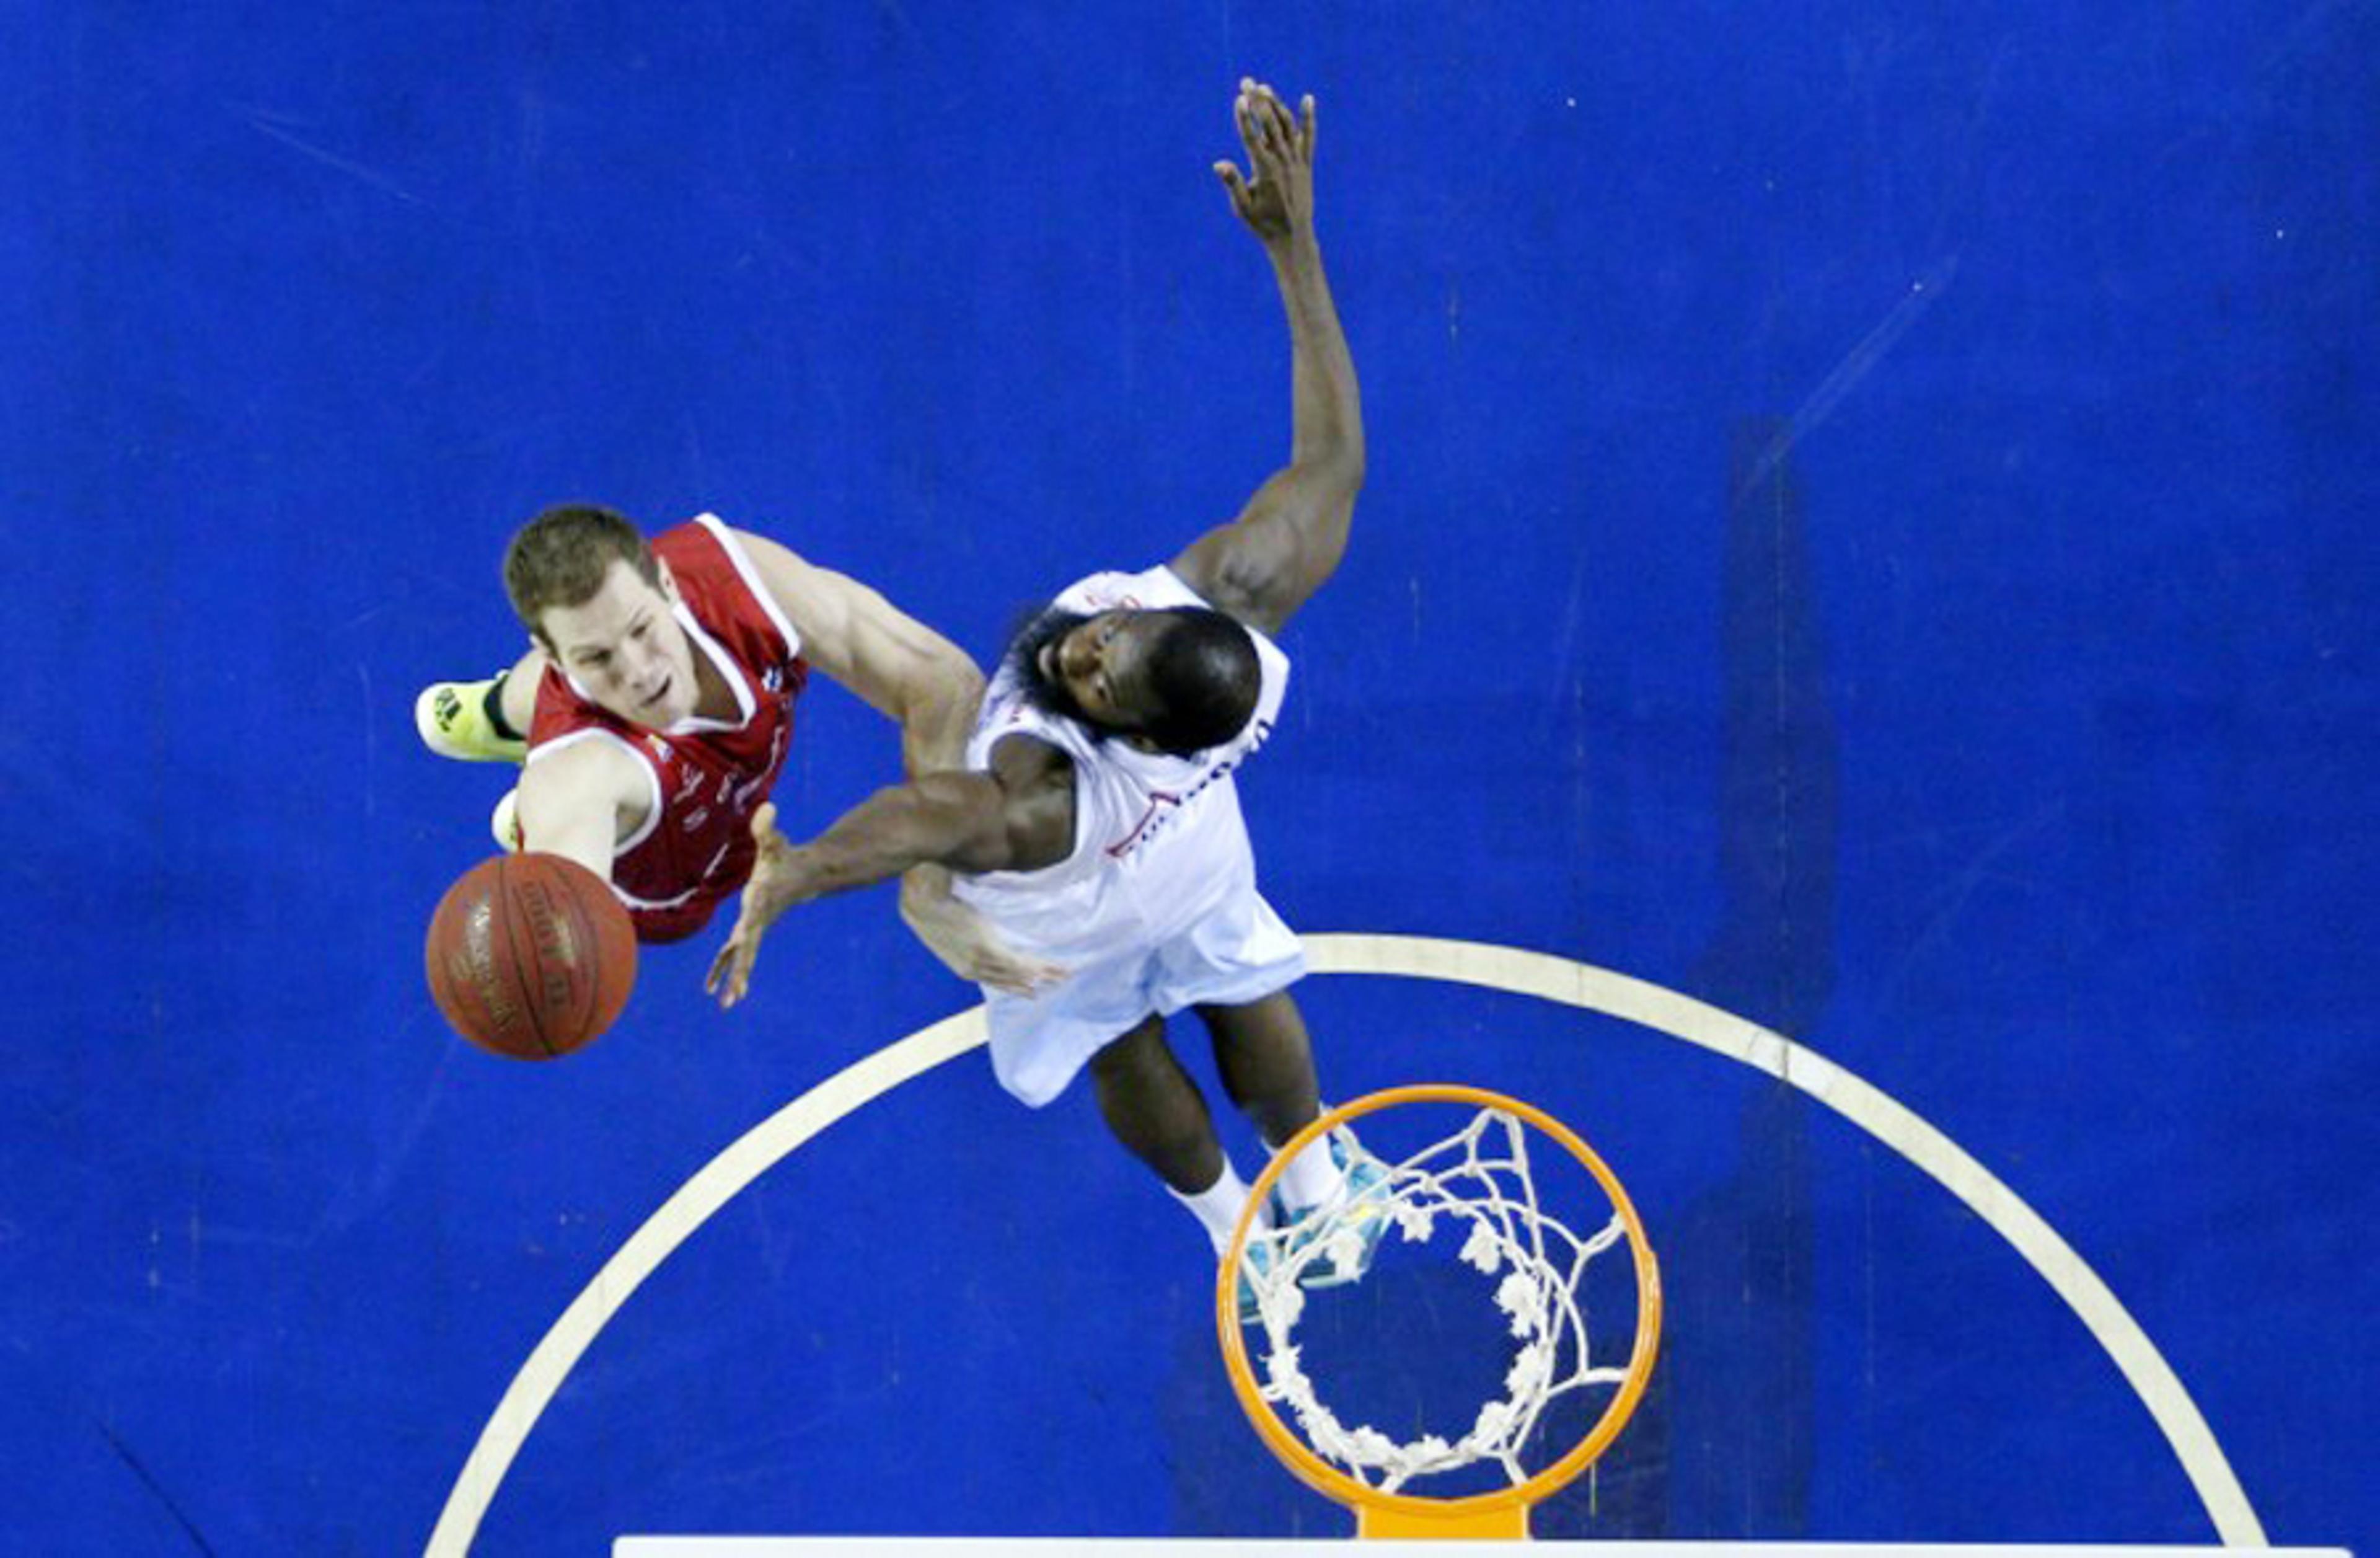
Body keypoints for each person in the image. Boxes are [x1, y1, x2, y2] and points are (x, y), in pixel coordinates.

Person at [703, 79, 1377, 1303]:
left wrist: (798, 870)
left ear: (1134, 727)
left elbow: (927, 822)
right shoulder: (1245, 612)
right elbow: (1330, 461)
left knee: (1119, 1037)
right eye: (1109, 635)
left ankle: (1240, 1227)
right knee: (1241, 973)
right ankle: (1317, 1177)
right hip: (1195, 857)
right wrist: (1297, 248)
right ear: (1187, 609)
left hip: (1065, 912)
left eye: (1099, 679)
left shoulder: (1042, 789)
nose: (1083, 650)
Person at [415, 505, 1057, 992]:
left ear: (666, 585)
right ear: (550, 654)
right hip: (664, 849)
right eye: (597, 657)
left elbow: (940, 682)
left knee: (597, 658)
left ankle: (496, 713)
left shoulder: (733, 580)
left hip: (720, 784)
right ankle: (522, 779)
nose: (640, 670)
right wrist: (550, 909)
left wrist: (930, 889)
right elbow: (567, 910)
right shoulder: (584, 769)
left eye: (641, 629)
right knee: (574, 792)